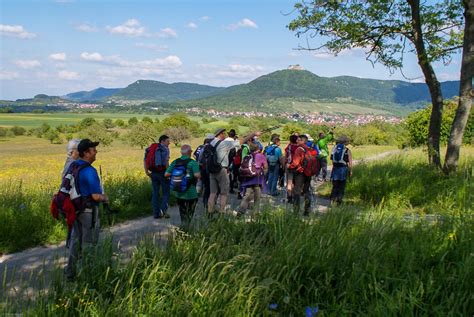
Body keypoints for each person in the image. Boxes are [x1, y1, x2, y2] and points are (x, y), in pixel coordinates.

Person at [65, 139, 108, 279]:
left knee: (75, 240)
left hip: (74, 209)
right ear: (86, 153)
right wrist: (105, 198)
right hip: (88, 211)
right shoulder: (89, 171)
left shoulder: (73, 165)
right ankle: (88, 275)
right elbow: (95, 196)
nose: (96, 152)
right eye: (93, 150)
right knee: (89, 242)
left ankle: (70, 272)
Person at [165, 144, 201, 231]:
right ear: (189, 152)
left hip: (179, 193)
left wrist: (177, 176)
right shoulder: (193, 162)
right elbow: (197, 175)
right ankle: (187, 229)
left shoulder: (175, 162)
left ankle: (184, 227)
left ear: (181, 152)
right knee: (190, 213)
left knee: (182, 212)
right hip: (191, 193)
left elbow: (166, 174)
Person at [208, 128, 237, 215]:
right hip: (221, 169)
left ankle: (210, 212)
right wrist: (253, 134)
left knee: (212, 193)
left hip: (212, 169)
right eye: (223, 134)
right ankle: (221, 212)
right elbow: (240, 142)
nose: (225, 135)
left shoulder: (211, 143)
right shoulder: (223, 143)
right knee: (224, 193)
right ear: (220, 134)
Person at [144, 135, 171, 219]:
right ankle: (163, 210)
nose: (169, 143)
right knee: (166, 192)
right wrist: (168, 172)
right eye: (167, 141)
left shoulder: (150, 149)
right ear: (162, 141)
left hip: (153, 173)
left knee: (155, 192)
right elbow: (166, 162)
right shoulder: (165, 149)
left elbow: (145, 161)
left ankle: (156, 213)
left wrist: (146, 172)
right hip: (162, 173)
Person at [238, 142, 268, 215]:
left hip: (248, 178)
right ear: (258, 149)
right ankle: (255, 214)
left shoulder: (247, 156)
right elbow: (265, 167)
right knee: (257, 197)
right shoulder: (261, 156)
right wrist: (264, 175)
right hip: (257, 178)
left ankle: (240, 212)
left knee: (247, 196)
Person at [288, 136, 313, 216]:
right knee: (306, 191)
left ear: (303, 141)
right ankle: (307, 210)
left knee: (297, 191)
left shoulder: (299, 149)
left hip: (300, 173)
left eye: (298, 140)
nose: (297, 141)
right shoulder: (308, 149)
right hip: (308, 172)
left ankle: (296, 211)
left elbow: (295, 162)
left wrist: (289, 166)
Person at [330, 135, 353, 205]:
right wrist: (350, 171)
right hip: (343, 169)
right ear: (346, 142)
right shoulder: (347, 150)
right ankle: (339, 201)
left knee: (335, 185)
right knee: (342, 186)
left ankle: (332, 200)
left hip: (335, 169)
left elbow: (331, 159)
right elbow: (350, 162)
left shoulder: (334, 149)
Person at [196, 134, 214, 210]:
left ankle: (203, 200)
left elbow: (198, 158)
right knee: (209, 188)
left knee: (205, 185)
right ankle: (208, 204)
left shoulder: (202, 147)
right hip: (210, 170)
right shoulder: (212, 148)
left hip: (203, 169)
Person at [284, 134, 299, 203]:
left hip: (289, 166)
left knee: (289, 182)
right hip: (297, 166)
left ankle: (289, 197)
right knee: (296, 182)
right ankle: (295, 196)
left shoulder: (288, 147)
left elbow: (286, 156)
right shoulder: (299, 148)